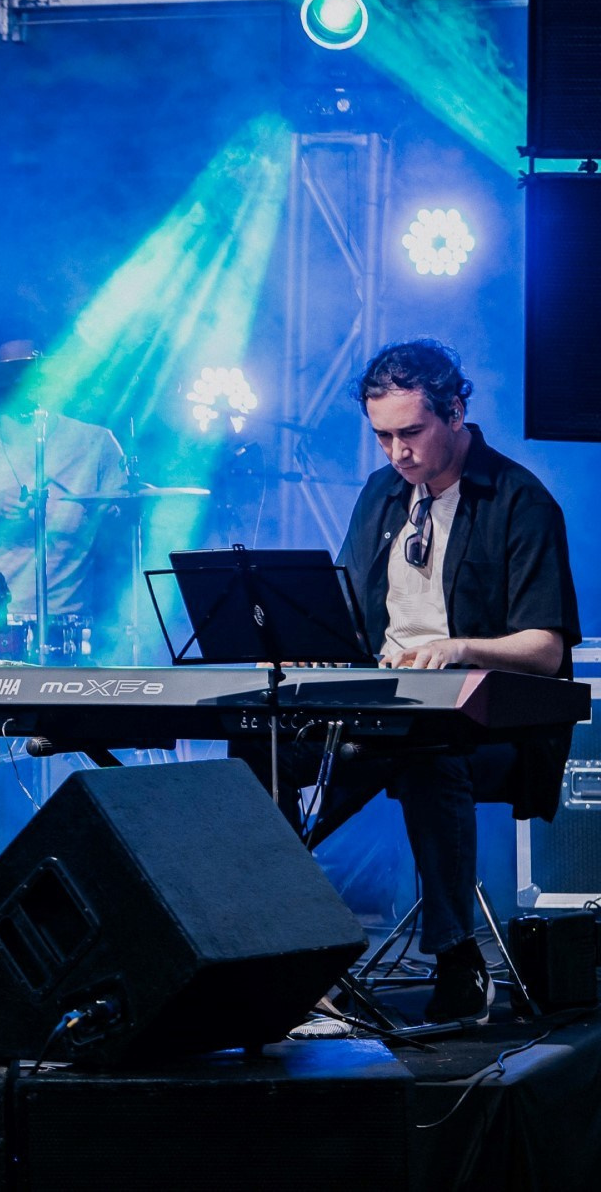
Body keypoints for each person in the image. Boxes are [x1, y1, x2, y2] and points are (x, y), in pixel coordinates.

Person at [240, 339, 579, 1024]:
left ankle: (457, 960)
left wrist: (456, 648)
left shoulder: (521, 500)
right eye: (383, 436)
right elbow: (344, 617)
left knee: (433, 757)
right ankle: (284, 948)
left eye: (411, 433)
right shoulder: (381, 494)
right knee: (258, 747)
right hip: (377, 716)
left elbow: (545, 649)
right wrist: (315, 649)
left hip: (488, 730)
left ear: (456, 410)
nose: (397, 452)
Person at [0, 340, 127, 639]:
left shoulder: (96, 442)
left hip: (71, 623)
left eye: (32, 372)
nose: (22, 383)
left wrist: (104, 519)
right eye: (11, 373)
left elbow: (124, 542)